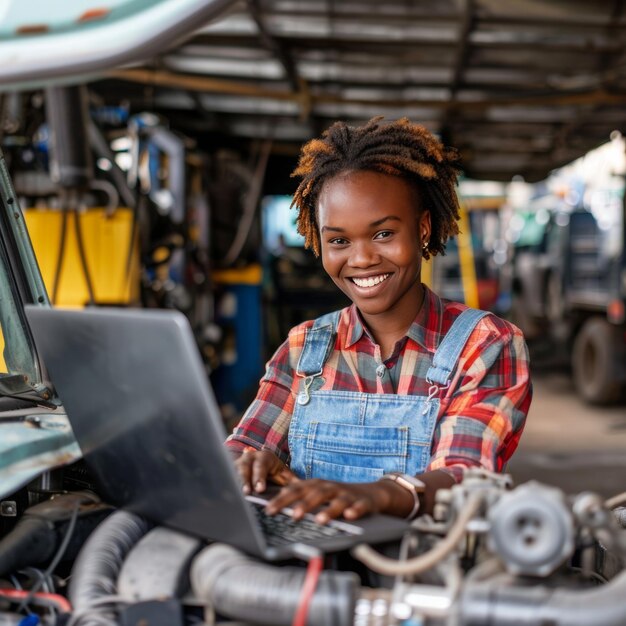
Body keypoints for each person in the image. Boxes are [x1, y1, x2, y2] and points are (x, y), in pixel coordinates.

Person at [226, 116, 532, 524]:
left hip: (427, 574)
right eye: (338, 240)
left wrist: (377, 495)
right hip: (308, 568)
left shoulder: (486, 343)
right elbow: (243, 446)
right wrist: (249, 465)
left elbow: (466, 475)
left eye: (383, 234)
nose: (362, 259)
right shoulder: (305, 347)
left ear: (422, 229)